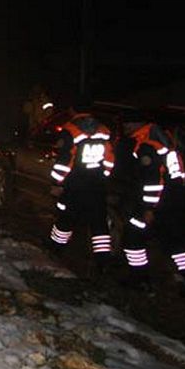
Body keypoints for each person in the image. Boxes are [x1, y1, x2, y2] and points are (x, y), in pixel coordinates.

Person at [119, 114, 185, 295]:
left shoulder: (147, 146)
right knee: (176, 243)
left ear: (140, 124)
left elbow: (152, 181)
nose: (126, 127)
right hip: (174, 201)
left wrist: (148, 209)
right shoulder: (166, 140)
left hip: (155, 205)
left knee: (132, 239)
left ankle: (139, 280)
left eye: (128, 123)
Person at [47, 111, 115, 273]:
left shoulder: (70, 130)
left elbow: (65, 161)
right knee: (99, 222)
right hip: (96, 184)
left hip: (75, 184)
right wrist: (101, 175)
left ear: (73, 112)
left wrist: (57, 183)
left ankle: (55, 249)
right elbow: (109, 158)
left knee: (66, 217)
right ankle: (103, 259)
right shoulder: (103, 131)